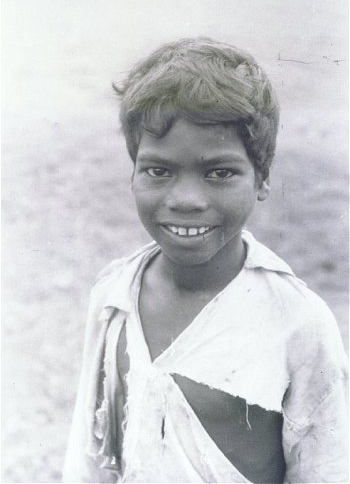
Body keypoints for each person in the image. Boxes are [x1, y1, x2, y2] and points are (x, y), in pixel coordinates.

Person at [63, 38, 348, 483]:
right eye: (159, 170)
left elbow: (327, 466)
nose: (187, 200)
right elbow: (90, 455)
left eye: (219, 173)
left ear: (262, 178)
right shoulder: (114, 297)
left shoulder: (296, 321)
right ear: (134, 170)